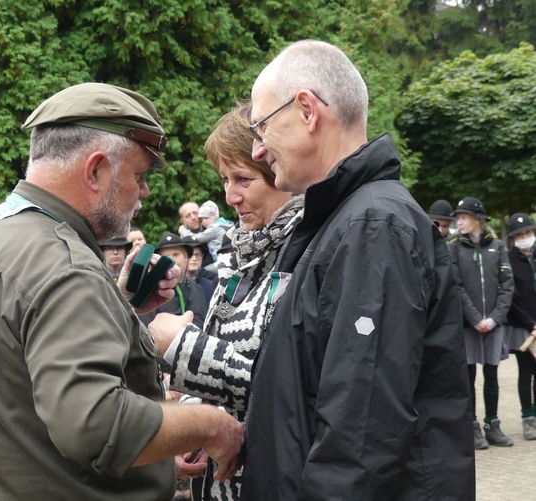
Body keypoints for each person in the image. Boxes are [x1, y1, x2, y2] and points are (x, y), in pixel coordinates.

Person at [0, 82, 243, 500]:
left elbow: (19, 389)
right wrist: (211, 425)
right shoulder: (66, 265)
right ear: (96, 170)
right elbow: (97, 428)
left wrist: (121, 305)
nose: (144, 192)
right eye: (138, 175)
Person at [240, 40, 475, 500]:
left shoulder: (373, 226)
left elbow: (363, 437)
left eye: (261, 126)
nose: (256, 151)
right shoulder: (343, 219)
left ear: (306, 110)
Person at [149, 101, 303, 501]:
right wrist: (196, 427)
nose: (230, 197)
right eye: (224, 179)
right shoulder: (242, 252)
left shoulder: (308, 254)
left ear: (281, 175)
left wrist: (182, 346)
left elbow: (292, 387)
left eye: (243, 179)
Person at [449, 197, 514, 449]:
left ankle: (492, 424)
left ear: (478, 219)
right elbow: (456, 286)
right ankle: (472, 426)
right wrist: (476, 319)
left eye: (463, 217)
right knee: (469, 375)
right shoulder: (454, 247)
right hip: (469, 325)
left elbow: (507, 286)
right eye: (458, 218)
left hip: (494, 323)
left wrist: (495, 318)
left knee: (492, 373)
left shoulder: (497, 246)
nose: (459, 222)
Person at [504, 212, 536, 440]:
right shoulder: (508, 259)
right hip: (522, 327)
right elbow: (513, 296)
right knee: (526, 373)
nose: (525, 237)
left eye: (528, 232)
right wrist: (531, 324)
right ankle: (527, 418)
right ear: (514, 238)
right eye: (520, 234)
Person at [138, 232, 209, 329]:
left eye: (176, 254)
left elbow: (201, 319)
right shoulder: (149, 289)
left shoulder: (195, 287)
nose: (171, 260)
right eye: (166, 256)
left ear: (186, 258)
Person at [183, 235, 216, 303]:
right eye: (190, 255)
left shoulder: (211, 285)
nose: (194, 259)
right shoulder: (172, 285)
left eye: (198, 255)